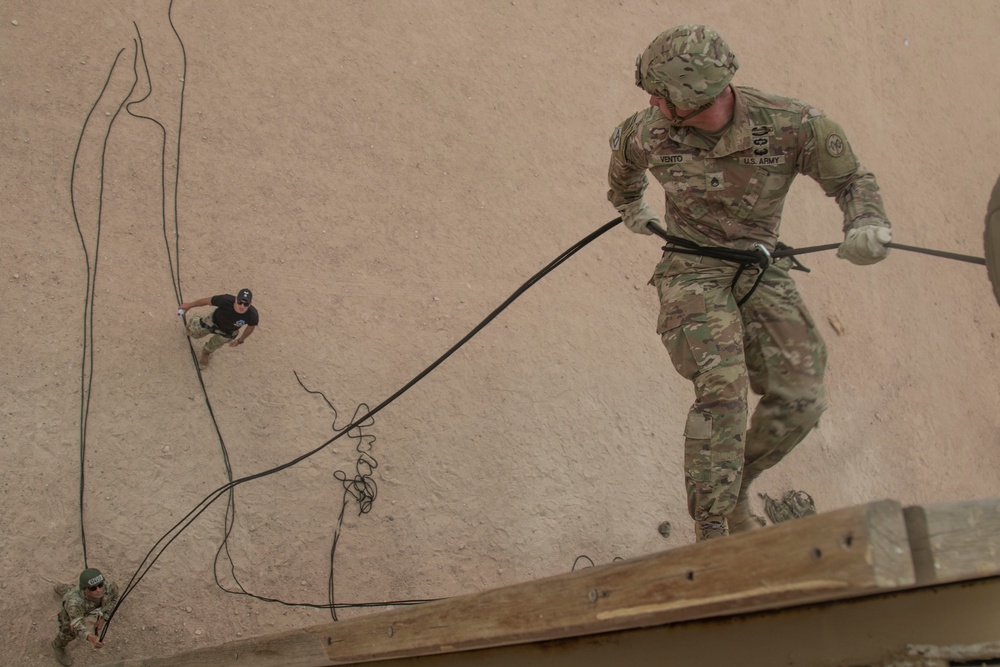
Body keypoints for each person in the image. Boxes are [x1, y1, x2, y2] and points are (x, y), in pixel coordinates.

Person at [607, 24, 892, 541]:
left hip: (760, 267)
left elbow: (852, 180)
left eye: (659, 93)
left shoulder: (791, 123)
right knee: (722, 393)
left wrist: (865, 222)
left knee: (802, 397)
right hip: (691, 270)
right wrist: (629, 205)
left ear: (694, 99)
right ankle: (715, 534)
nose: (650, 100)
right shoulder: (647, 130)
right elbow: (623, 166)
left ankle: (736, 485)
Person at [51, 568, 119, 666]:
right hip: (77, 608)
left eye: (100, 585)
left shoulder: (109, 587)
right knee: (68, 631)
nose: (99, 590)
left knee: (71, 591)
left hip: (88, 605)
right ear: (85, 589)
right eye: (93, 588)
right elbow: (76, 625)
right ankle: (58, 646)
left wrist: (104, 618)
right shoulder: (74, 604)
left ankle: (64, 588)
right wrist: (91, 638)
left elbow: (114, 599)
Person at [178, 288, 259, 369]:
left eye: (246, 304)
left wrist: (240, 340)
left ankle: (206, 353)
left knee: (213, 345)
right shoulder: (225, 300)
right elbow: (207, 301)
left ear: (250, 304)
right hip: (213, 321)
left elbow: (250, 328)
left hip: (229, 331)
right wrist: (189, 305)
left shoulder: (252, 315)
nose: (241, 306)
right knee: (195, 334)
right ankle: (195, 320)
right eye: (240, 302)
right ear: (235, 300)